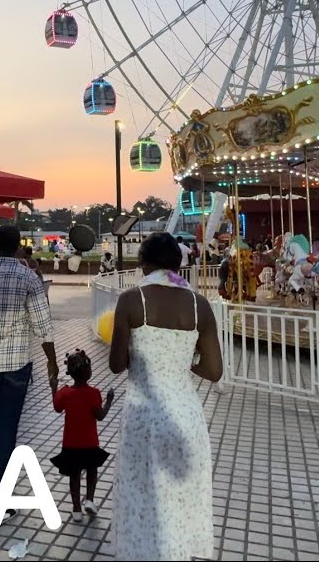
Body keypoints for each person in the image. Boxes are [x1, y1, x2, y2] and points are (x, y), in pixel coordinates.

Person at [109, 232, 221, 561]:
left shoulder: (131, 301)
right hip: (186, 415)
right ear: (177, 264)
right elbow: (214, 370)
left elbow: (116, 365)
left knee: (141, 493)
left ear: (144, 264)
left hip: (144, 415)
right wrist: (182, 362)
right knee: (179, 498)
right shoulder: (200, 305)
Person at [0, 225, 58, 520]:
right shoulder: (28, 277)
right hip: (17, 365)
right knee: (5, 429)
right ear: (18, 247)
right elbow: (44, 326)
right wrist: (52, 362)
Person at [51, 349, 115, 524]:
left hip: (71, 443)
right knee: (92, 470)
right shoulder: (93, 393)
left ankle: (76, 509)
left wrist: (53, 388)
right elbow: (100, 416)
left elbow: (57, 408)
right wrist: (109, 401)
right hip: (90, 443)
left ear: (70, 373)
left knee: (74, 475)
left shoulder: (65, 393)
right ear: (88, 372)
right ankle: (89, 500)